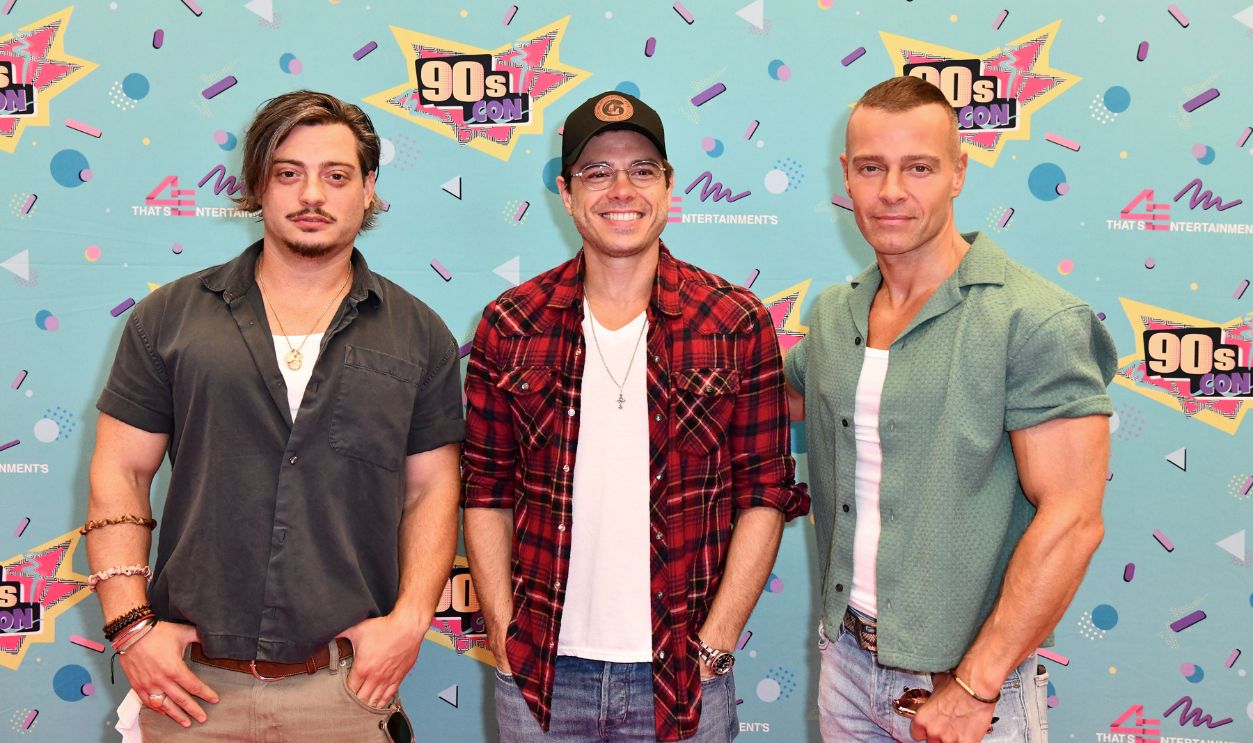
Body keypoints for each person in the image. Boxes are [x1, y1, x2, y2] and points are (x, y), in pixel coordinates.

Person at [85, 90, 463, 741]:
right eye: (288, 172)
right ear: (258, 184)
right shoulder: (168, 319)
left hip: (345, 692)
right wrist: (129, 626)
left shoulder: (418, 334)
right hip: (191, 692)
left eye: (336, 175)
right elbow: (119, 469)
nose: (311, 194)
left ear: (368, 188)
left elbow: (432, 488)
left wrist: (408, 623)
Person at [461, 90, 809, 742]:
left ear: (669, 186)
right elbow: (484, 492)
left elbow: (764, 492)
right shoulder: (510, 323)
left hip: (684, 675)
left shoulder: (733, 321)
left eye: (642, 169)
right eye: (597, 171)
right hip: (542, 676)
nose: (621, 188)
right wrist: (508, 633)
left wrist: (717, 638)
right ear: (566, 193)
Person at [785, 75, 1117, 743]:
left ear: (959, 172)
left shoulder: (1032, 318)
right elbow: (767, 398)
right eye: (871, 168)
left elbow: (1073, 519)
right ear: (845, 176)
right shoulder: (833, 314)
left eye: (919, 167)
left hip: (962, 683)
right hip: (846, 659)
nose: (891, 192)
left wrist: (975, 685)